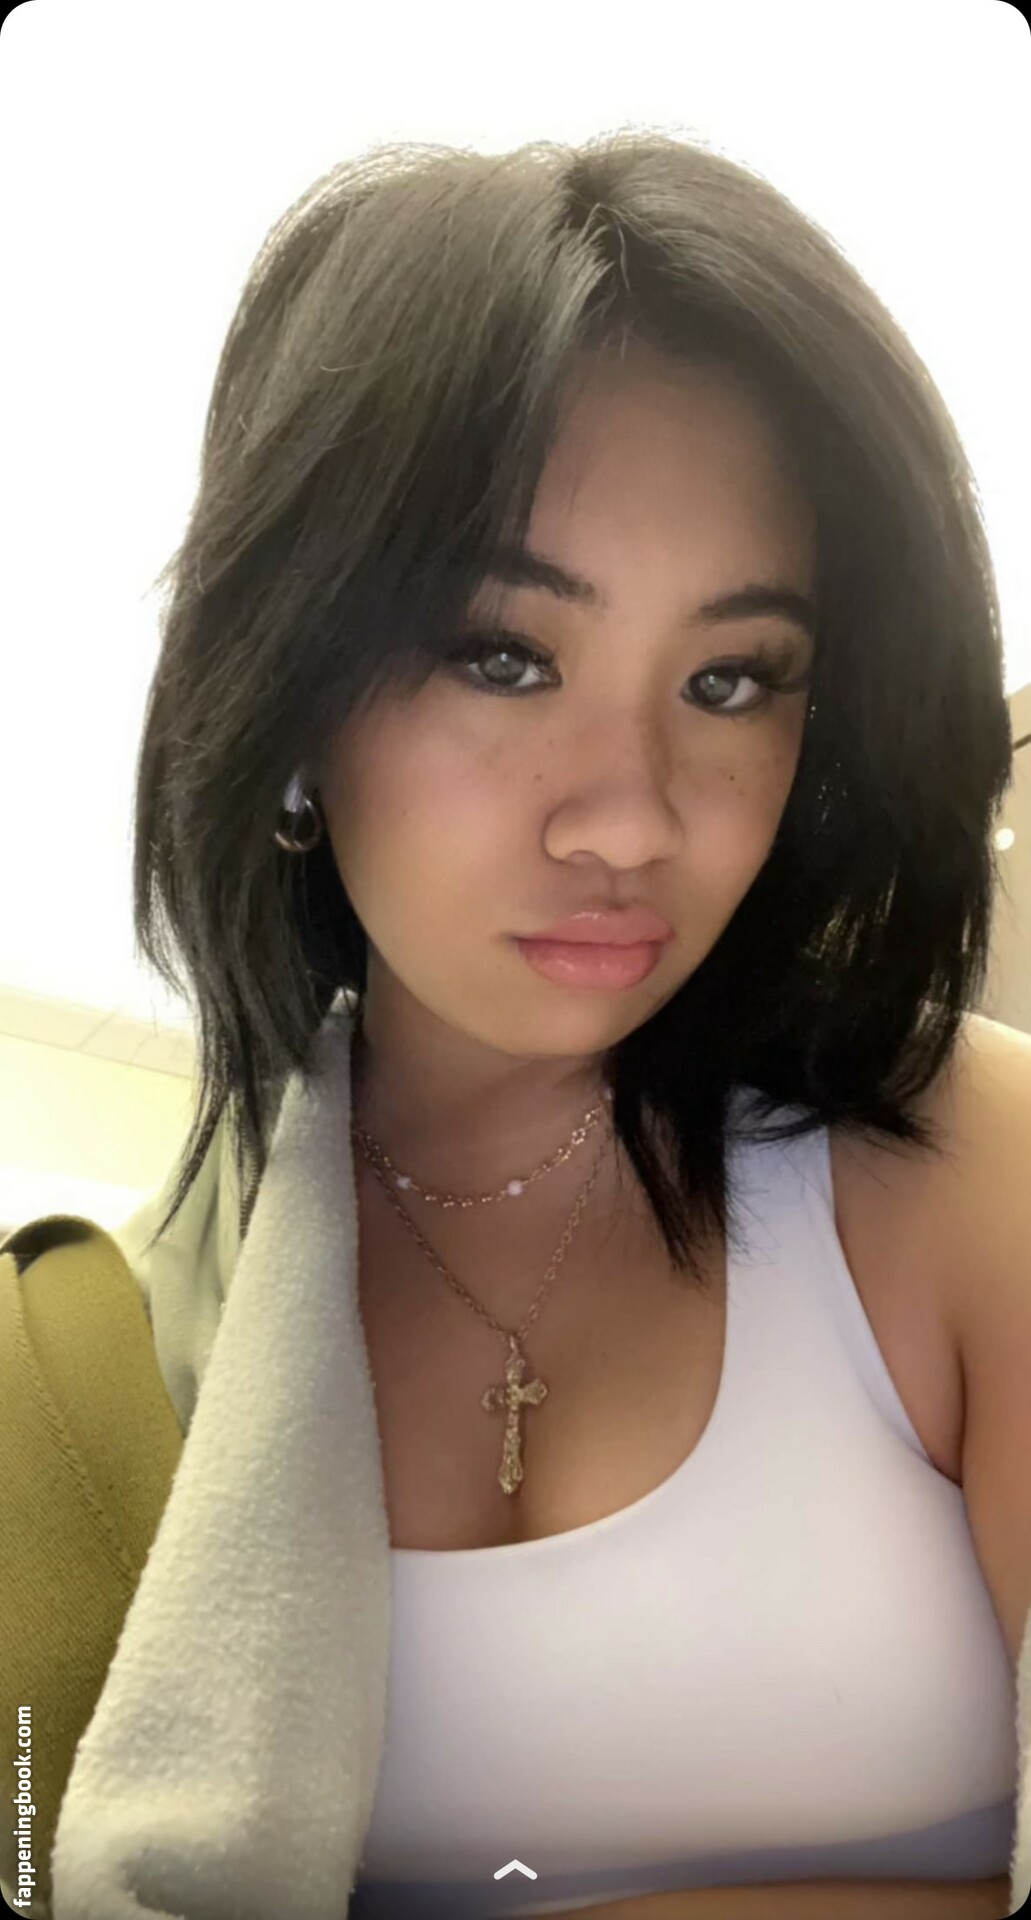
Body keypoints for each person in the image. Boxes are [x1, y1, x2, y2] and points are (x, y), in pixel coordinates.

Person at [9, 130, 1025, 1920]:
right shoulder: (110, 1362)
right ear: (291, 696)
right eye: (503, 655)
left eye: (732, 679)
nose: (628, 815)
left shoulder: (967, 1169)